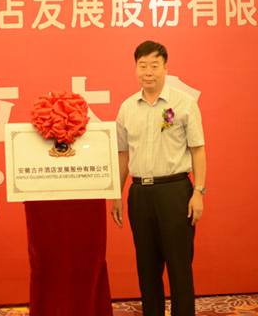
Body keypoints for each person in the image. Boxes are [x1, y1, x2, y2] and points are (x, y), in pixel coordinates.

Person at [111, 41, 206, 316]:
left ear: (166, 68)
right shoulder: (127, 108)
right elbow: (123, 155)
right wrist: (116, 195)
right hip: (140, 194)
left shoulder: (184, 104)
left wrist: (198, 192)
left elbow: (197, 151)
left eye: (154, 65)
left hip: (175, 191)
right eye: (142, 66)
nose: (148, 72)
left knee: (179, 267)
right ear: (136, 68)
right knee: (147, 267)